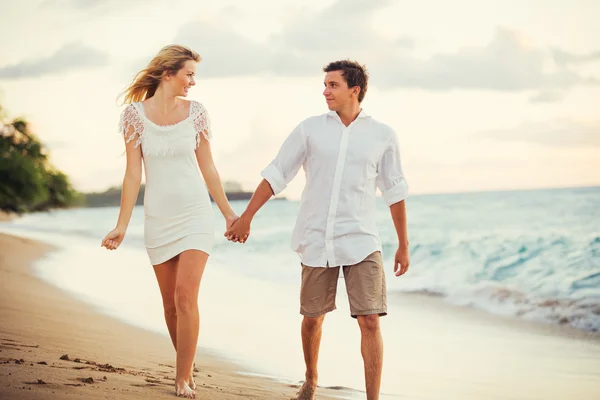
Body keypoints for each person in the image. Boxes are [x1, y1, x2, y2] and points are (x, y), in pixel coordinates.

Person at [225, 60, 410, 400]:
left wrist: (403, 244)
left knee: (370, 320)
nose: (325, 91)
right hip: (316, 238)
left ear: (354, 90)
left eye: (333, 85)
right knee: (313, 318)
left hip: (362, 239)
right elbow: (277, 173)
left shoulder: (382, 135)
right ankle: (310, 379)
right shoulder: (310, 129)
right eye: (324, 85)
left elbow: (394, 190)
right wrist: (247, 216)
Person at [101, 44, 238, 399]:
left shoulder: (197, 114)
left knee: (185, 296)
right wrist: (122, 225)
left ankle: (182, 379)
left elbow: (208, 168)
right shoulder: (134, 116)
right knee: (169, 305)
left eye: (194, 75)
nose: (193, 82)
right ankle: (186, 368)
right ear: (168, 73)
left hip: (195, 213)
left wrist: (227, 213)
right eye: (189, 74)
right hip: (157, 218)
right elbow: (133, 175)